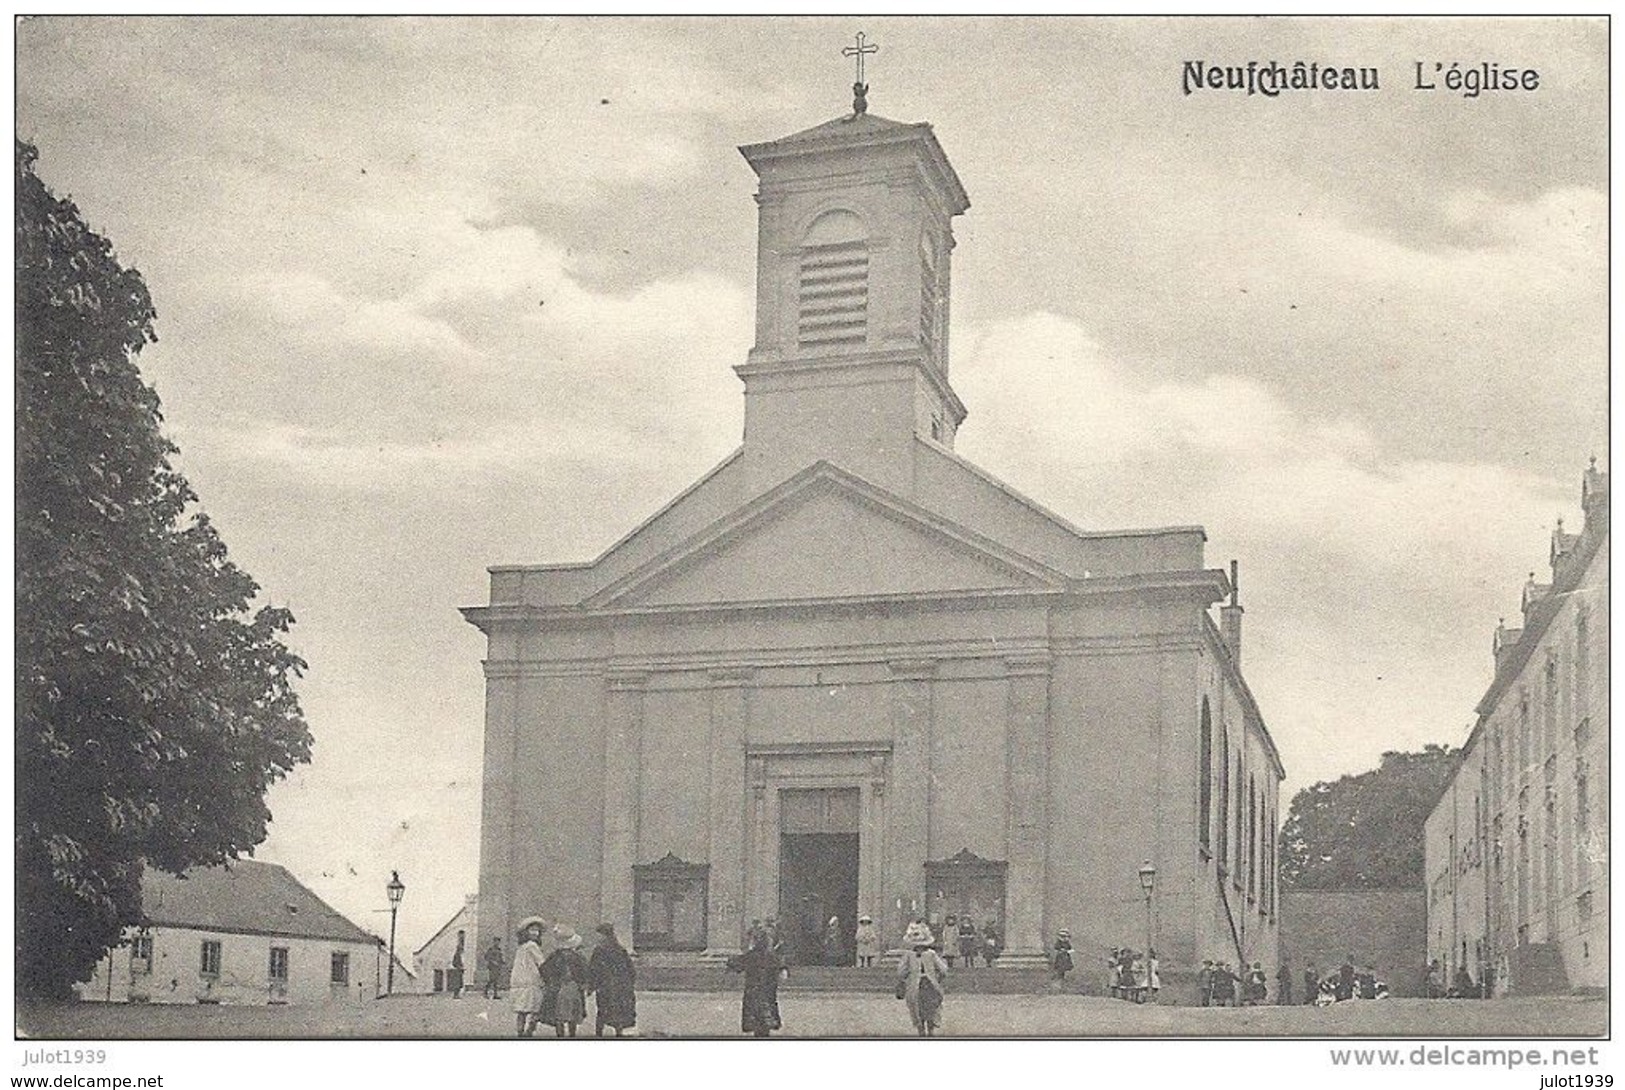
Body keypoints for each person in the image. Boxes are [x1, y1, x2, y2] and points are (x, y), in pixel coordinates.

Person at [895, 921, 948, 1037]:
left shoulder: (911, 955)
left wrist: (905, 977)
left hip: (918, 986)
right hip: (928, 985)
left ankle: (923, 1031)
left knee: (919, 1008)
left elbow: (900, 972)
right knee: (928, 1008)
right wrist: (938, 979)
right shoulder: (929, 954)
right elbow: (943, 970)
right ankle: (929, 1031)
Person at [728, 926, 782, 1037]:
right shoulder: (772, 957)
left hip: (753, 991)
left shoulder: (751, 956)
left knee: (756, 1019)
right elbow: (781, 968)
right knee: (766, 1019)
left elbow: (736, 965)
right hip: (768, 992)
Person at [586, 923, 636, 1037]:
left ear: (603, 935)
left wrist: (591, 987)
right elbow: (631, 969)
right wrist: (629, 984)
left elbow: (594, 969)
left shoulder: (600, 950)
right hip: (620, 986)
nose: (597, 937)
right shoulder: (620, 948)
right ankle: (618, 1034)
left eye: (599, 935)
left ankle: (599, 1034)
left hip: (605, 986)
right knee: (617, 1011)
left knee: (602, 1010)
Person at [540, 927, 589, 1037]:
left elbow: (544, 970)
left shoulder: (555, 956)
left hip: (559, 987)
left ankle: (560, 1036)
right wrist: (582, 983)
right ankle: (572, 1035)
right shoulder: (577, 957)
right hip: (573, 988)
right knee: (573, 1015)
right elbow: (585, 972)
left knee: (559, 1016)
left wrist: (549, 982)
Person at [508, 917, 547, 1037]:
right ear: (526, 932)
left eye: (537, 930)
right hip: (531, 981)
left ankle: (520, 1032)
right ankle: (529, 1031)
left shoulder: (521, 947)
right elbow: (541, 962)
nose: (535, 933)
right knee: (536, 1009)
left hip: (520, 981)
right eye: (532, 930)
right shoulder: (532, 946)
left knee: (522, 1010)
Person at [448, 930, 466, 998]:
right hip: (457, 970)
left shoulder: (460, 955)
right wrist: (459, 966)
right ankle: (456, 994)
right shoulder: (456, 955)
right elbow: (454, 962)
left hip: (459, 969)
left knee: (460, 982)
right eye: (460, 949)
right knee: (457, 982)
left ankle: (457, 994)